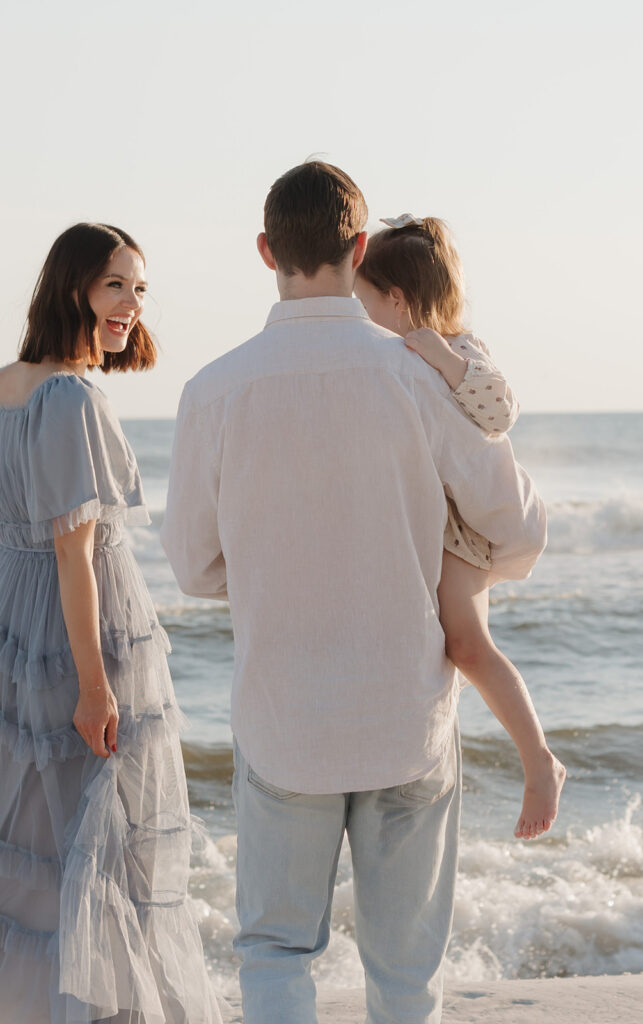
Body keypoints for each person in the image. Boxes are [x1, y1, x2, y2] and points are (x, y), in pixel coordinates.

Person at [160, 162, 547, 1024]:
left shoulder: (212, 390)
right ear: (358, 248)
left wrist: (270, 567)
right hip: (404, 713)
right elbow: (517, 529)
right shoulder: (416, 375)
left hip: (282, 717)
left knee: (272, 954)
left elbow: (192, 567)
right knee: (406, 972)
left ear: (266, 251)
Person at [0, 223, 222, 1024]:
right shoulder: (70, 395)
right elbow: (74, 554)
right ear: (73, 289)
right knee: (100, 838)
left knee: (17, 836)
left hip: (7, 623)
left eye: (138, 289)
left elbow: (21, 528)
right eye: (114, 285)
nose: (128, 305)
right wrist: (94, 687)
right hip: (76, 629)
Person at [353, 212, 565, 841]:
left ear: (397, 300)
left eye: (365, 303)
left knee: (467, 644)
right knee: (440, 642)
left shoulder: (459, 348)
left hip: (459, 527)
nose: (360, 316)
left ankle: (539, 762)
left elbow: (500, 413)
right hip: (423, 518)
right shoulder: (387, 357)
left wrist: (445, 360)